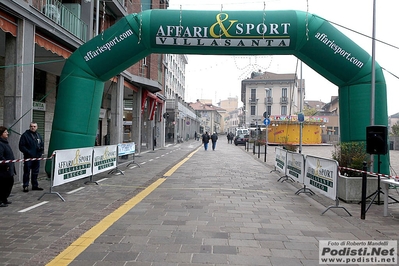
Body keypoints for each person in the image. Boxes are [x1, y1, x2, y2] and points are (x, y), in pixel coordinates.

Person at [19, 122, 44, 192]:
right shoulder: (25, 135)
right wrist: (28, 152)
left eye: (34, 126)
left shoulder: (38, 135)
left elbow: (42, 144)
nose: (33, 127)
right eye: (31, 126)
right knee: (27, 172)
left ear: (37, 127)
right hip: (28, 157)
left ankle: (35, 185)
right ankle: (25, 185)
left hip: (37, 157)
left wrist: (40, 152)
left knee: (35, 172)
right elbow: (21, 146)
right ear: (29, 127)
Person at [0, 127, 15, 207]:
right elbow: (0, 156)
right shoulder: (0, 144)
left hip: (9, 168)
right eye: (5, 132)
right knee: (3, 185)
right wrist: (5, 165)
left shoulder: (5, 142)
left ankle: (4, 199)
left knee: (9, 183)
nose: (7, 133)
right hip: (3, 169)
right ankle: (0, 200)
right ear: (1, 134)